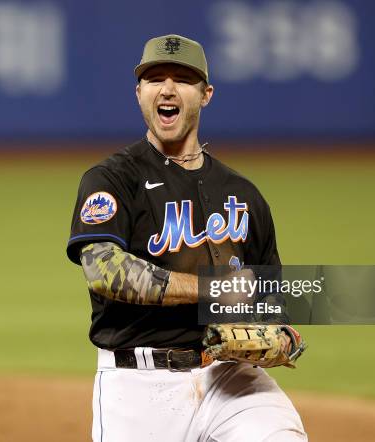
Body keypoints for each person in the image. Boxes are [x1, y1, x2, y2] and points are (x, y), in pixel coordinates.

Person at [66, 34, 307, 442]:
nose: (168, 88)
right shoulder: (112, 179)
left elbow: (269, 293)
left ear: (206, 94)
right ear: (139, 92)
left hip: (231, 378)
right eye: (156, 77)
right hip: (138, 387)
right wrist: (210, 290)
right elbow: (104, 271)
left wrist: (283, 335)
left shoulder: (243, 194)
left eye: (183, 78)